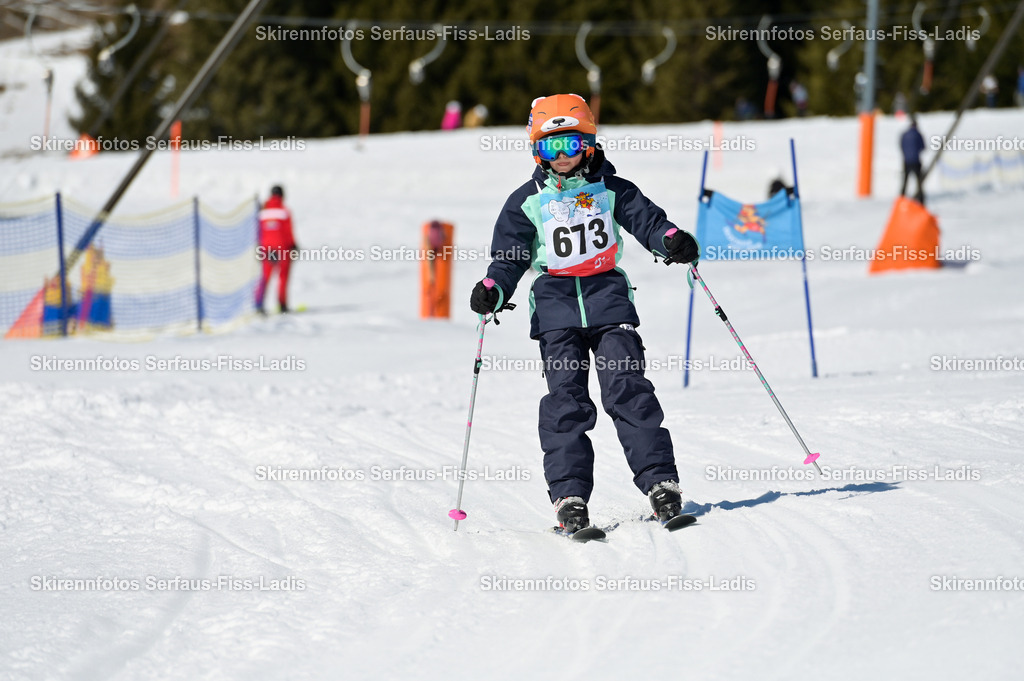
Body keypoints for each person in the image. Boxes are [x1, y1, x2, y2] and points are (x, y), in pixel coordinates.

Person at [469, 93, 699, 534]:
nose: (562, 156)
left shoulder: (611, 189)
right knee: (566, 401)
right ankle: (569, 496)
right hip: (555, 312)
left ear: (588, 145)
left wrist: (671, 239)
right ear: (537, 151)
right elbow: (510, 257)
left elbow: (648, 222)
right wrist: (493, 289)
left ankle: (660, 484)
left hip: (609, 300)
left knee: (627, 387)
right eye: (550, 147)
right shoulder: (527, 200)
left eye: (570, 145)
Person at [256, 185, 296, 315]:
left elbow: (258, 231)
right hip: (282, 249)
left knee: (265, 277)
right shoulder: (284, 211)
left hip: (267, 249)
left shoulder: (262, 211)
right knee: (282, 277)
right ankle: (282, 305)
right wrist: (293, 245)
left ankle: (258, 304)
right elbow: (288, 231)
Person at [900, 116, 926, 205]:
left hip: (906, 161)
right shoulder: (918, 134)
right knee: (919, 182)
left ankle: (901, 198)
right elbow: (923, 147)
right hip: (916, 161)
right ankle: (921, 201)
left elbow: (901, 146)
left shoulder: (904, 134)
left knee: (905, 181)